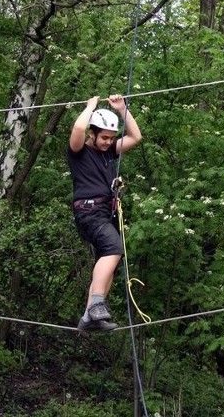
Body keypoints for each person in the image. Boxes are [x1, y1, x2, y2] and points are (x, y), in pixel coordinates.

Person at [67, 94, 142, 332]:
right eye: (104, 137)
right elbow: (78, 127)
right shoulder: (79, 152)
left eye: (111, 138)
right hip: (88, 210)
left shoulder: (109, 153)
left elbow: (135, 137)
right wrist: (90, 107)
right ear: (93, 133)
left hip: (105, 211)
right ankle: (96, 305)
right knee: (113, 248)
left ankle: (91, 316)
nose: (108, 142)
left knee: (110, 258)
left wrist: (122, 109)